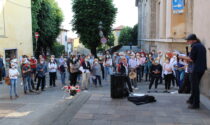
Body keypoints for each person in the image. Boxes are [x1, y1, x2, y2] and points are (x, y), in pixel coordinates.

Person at [179, 34, 207, 109]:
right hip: (201, 69)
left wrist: (181, 57)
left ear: (193, 40)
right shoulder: (201, 45)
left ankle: (196, 104)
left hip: (195, 69)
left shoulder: (194, 46)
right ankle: (191, 99)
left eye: (189, 41)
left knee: (195, 87)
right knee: (195, 85)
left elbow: (191, 59)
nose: (188, 42)